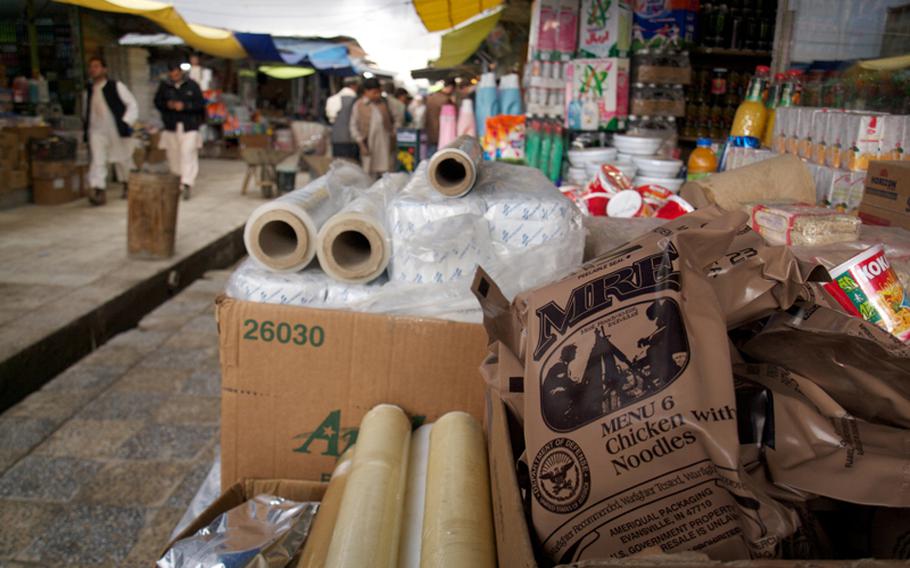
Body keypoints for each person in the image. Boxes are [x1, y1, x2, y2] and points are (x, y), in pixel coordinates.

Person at [83, 55, 138, 206]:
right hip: (96, 130)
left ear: (104, 69)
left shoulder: (115, 86)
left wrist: (126, 122)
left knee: (123, 157)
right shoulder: (89, 90)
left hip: (116, 129)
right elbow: (85, 111)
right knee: (98, 160)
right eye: (91, 67)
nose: (93, 70)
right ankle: (98, 189)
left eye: (96, 66)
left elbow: (132, 104)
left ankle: (128, 183)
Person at [154, 60, 205, 200]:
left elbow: (200, 105)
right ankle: (177, 183)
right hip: (171, 126)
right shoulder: (165, 87)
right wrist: (168, 104)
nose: (174, 75)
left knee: (187, 153)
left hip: (189, 126)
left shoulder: (192, 85)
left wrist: (185, 106)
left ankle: (187, 183)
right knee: (174, 155)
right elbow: (157, 102)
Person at [350, 77, 395, 177]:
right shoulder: (359, 105)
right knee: (369, 173)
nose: (377, 95)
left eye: (379, 92)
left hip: (385, 144)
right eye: (374, 92)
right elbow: (353, 126)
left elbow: (395, 120)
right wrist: (361, 144)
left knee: (386, 172)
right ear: (366, 91)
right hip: (369, 144)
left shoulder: (384, 103)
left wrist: (393, 135)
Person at [326, 77, 360, 161]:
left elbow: (330, 118)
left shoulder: (333, 99)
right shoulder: (356, 100)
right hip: (351, 140)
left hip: (336, 139)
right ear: (353, 86)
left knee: (338, 166)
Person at [424, 78, 455, 155]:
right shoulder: (446, 100)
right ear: (450, 87)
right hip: (442, 132)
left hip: (429, 130)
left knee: (430, 154)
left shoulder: (431, 97)